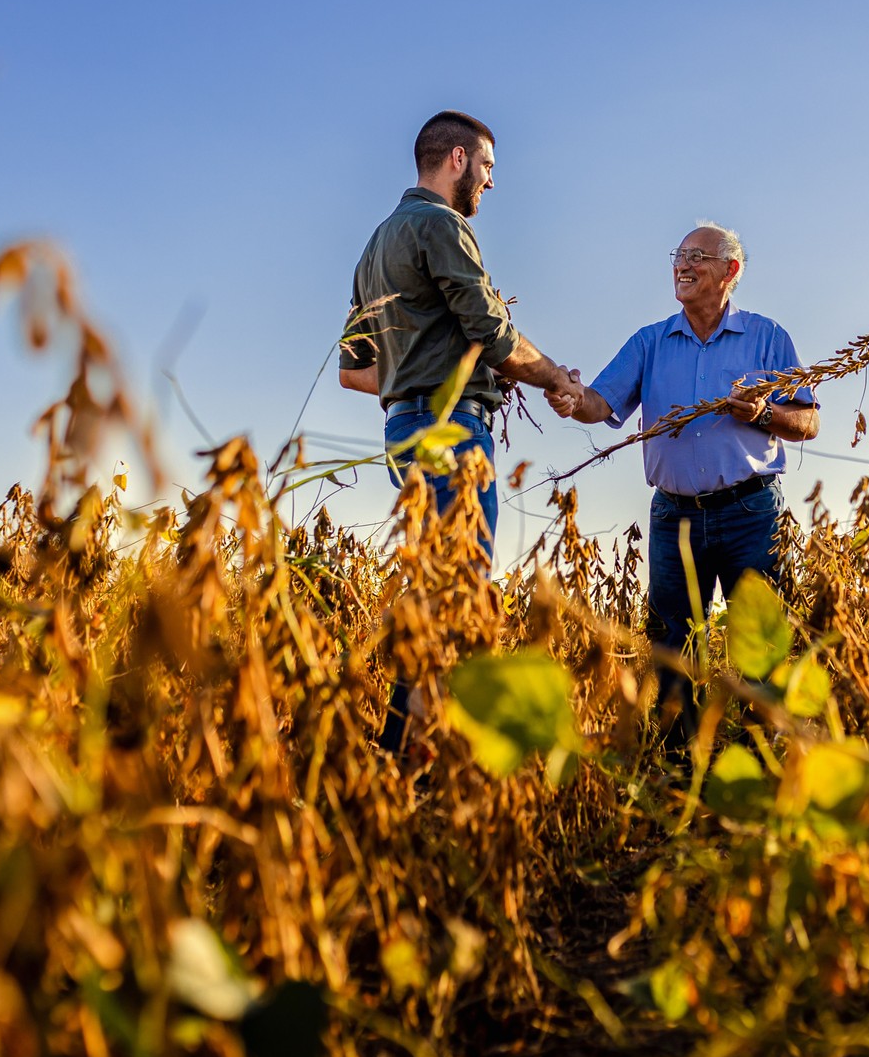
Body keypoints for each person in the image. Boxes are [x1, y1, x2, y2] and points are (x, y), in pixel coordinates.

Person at [339, 110, 577, 753]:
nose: (491, 183)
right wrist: (555, 376)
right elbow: (492, 333)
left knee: (433, 588)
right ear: (456, 161)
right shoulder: (441, 225)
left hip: (404, 428)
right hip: (451, 433)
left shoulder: (374, 247)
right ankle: (420, 759)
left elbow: (352, 371)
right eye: (488, 167)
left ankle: (395, 746)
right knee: (458, 594)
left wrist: (409, 376)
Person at [549, 223, 819, 754]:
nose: (683, 265)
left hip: (752, 512)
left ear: (731, 271)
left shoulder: (768, 337)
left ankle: (763, 757)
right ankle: (677, 763)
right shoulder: (650, 342)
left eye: (698, 256)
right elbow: (599, 405)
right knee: (672, 644)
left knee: (760, 645)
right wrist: (569, 395)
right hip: (674, 518)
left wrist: (765, 413)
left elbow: (808, 421)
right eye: (679, 256)